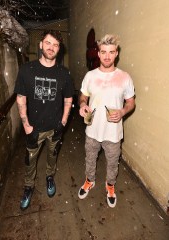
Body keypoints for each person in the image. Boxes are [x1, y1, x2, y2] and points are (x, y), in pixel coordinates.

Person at [14, 29, 74, 210]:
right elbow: (21, 99)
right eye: (48, 43)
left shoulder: (64, 73)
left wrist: (63, 122)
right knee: (30, 160)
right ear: (41, 45)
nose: (51, 47)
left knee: (52, 155)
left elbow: (68, 100)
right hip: (34, 128)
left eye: (55, 45)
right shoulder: (27, 70)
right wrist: (26, 125)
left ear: (59, 49)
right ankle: (28, 186)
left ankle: (49, 177)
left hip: (55, 127)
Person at [78, 34, 135, 208]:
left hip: (113, 132)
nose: (107, 56)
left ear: (116, 53)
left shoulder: (125, 77)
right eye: (103, 52)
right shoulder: (90, 76)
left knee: (112, 162)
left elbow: (131, 102)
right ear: (98, 53)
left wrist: (123, 111)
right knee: (90, 158)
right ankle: (90, 180)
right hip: (92, 129)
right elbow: (83, 97)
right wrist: (82, 105)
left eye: (111, 52)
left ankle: (110, 186)